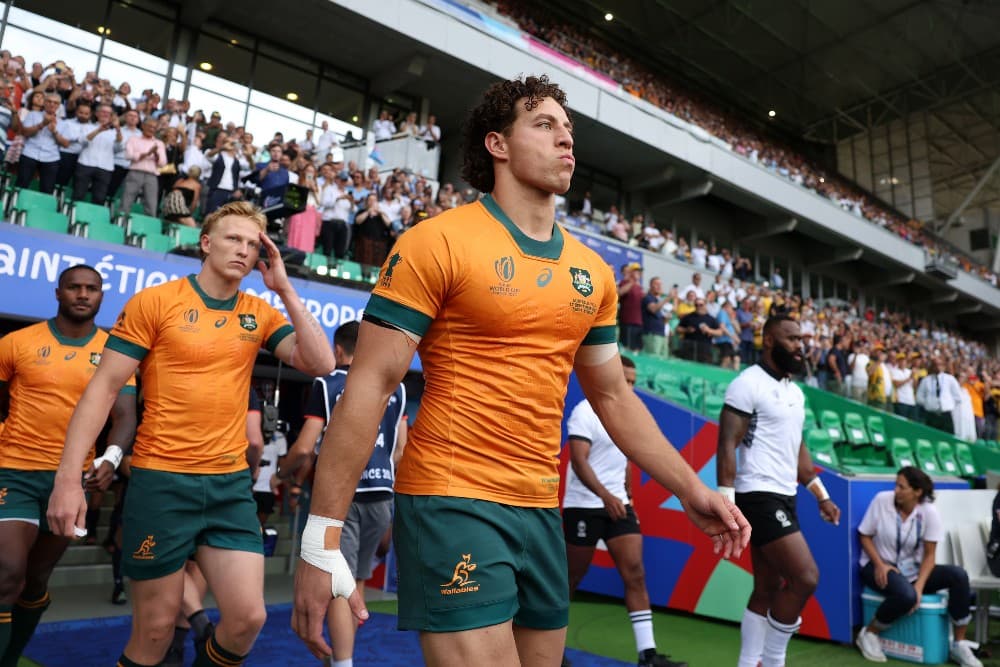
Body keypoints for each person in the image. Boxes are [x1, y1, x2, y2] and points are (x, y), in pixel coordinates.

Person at [291, 74, 749, 666]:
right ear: (497, 145)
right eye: (545, 125)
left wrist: (691, 489)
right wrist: (320, 536)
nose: (567, 141)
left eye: (569, 130)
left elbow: (613, 397)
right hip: (452, 499)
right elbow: (371, 386)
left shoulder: (594, 272)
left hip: (540, 509)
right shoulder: (437, 242)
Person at [47, 201, 336, 667]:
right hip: (162, 483)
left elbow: (321, 364)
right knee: (156, 630)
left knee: (247, 620)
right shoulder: (156, 302)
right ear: (206, 243)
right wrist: (67, 478)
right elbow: (101, 390)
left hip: (229, 487)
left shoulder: (258, 312)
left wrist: (284, 288)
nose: (243, 250)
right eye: (232, 239)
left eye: (251, 243)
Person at [0, 264, 137, 665]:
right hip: (14, 470)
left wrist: (111, 458)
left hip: (71, 483)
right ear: (58, 293)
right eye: (74, 287)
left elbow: (125, 415)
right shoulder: (17, 343)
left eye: (91, 288)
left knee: (34, 580)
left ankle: (14, 653)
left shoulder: (115, 352)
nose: (82, 294)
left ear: (100, 296)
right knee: (7, 571)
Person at [275, 320, 407, 667]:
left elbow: (305, 447)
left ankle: (342, 662)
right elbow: (400, 451)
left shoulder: (328, 383)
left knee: (333, 579)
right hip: (383, 494)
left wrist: (281, 472)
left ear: (337, 350)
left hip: (344, 495)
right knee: (355, 579)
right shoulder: (400, 389)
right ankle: (343, 655)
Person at [717, 315, 841, 667]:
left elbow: (799, 455)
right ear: (769, 341)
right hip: (757, 494)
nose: (800, 346)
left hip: (785, 495)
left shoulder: (795, 392)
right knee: (805, 577)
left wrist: (822, 495)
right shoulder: (747, 384)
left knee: (767, 588)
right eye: (791, 339)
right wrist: (727, 505)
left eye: (801, 339)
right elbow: (727, 445)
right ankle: (773, 661)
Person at [562, 357, 685, 667]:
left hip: (619, 506)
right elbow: (579, 461)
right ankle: (549, 650)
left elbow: (626, 458)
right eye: (625, 380)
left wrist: (626, 494)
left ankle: (647, 655)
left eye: (633, 382)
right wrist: (605, 496)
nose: (629, 387)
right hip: (583, 507)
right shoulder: (584, 413)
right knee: (569, 579)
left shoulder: (628, 417)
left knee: (636, 574)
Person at [855, 467, 981, 666]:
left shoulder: (929, 512)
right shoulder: (881, 500)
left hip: (910, 570)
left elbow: (930, 556)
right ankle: (869, 633)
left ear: (917, 492)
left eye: (901, 487)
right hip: (876, 565)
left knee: (958, 575)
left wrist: (919, 586)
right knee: (906, 596)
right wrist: (879, 564)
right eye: (896, 485)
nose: (896, 490)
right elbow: (864, 535)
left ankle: (959, 644)